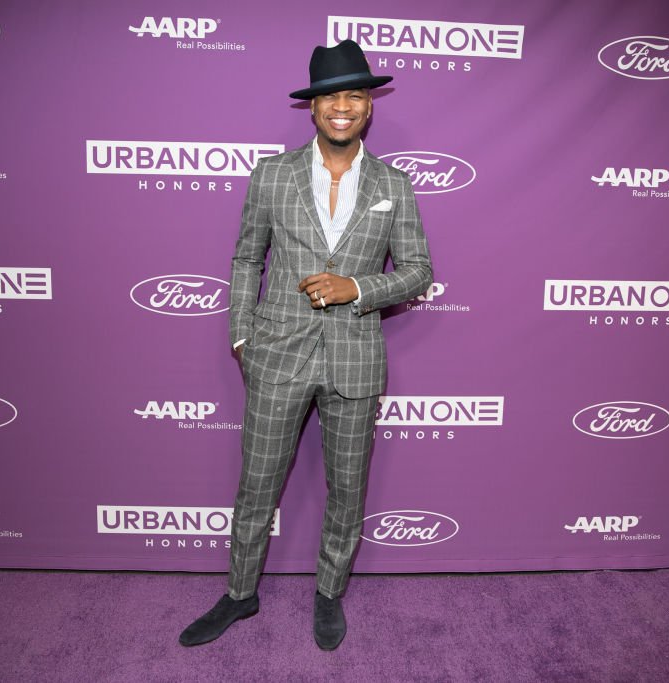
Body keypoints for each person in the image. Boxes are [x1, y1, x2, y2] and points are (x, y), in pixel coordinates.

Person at [179, 39, 432, 651]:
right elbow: (246, 258)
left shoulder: (393, 182)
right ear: (312, 108)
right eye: (330, 97)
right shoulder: (272, 174)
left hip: (355, 358)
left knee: (348, 489)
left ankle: (329, 594)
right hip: (278, 354)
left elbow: (419, 271)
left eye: (354, 96)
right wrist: (242, 335)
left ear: (369, 107)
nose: (341, 107)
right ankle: (240, 594)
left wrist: (356, 287)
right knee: (256, 484)